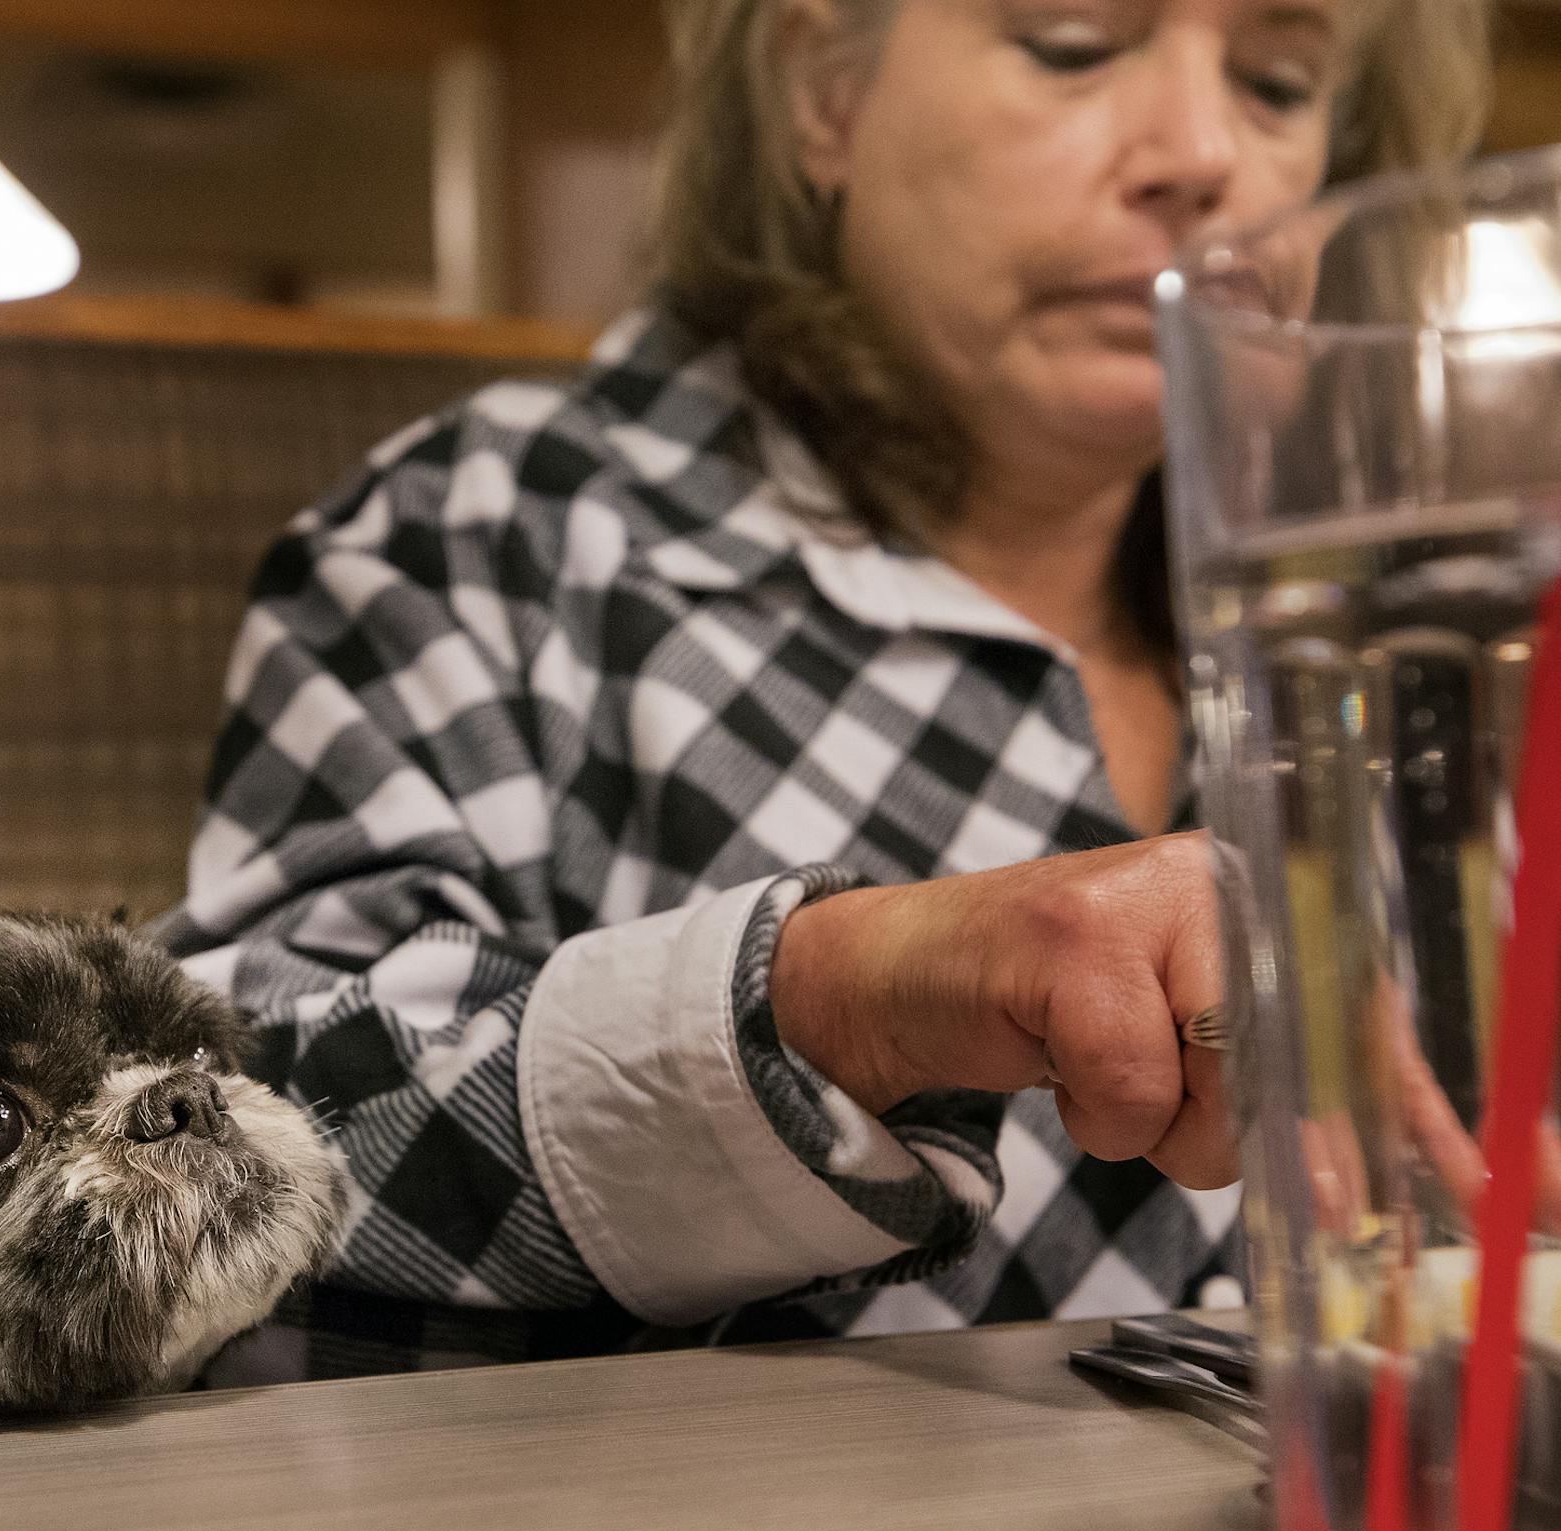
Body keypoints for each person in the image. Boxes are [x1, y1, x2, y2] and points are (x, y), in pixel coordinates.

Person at [154, 0, 1493, 1383]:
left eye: (1278, 83)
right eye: (1075, 42)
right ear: (823, 96)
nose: (1203, 152)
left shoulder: (1395, 628)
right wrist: (829, 1005)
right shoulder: (485, 541)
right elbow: (199, 1168)